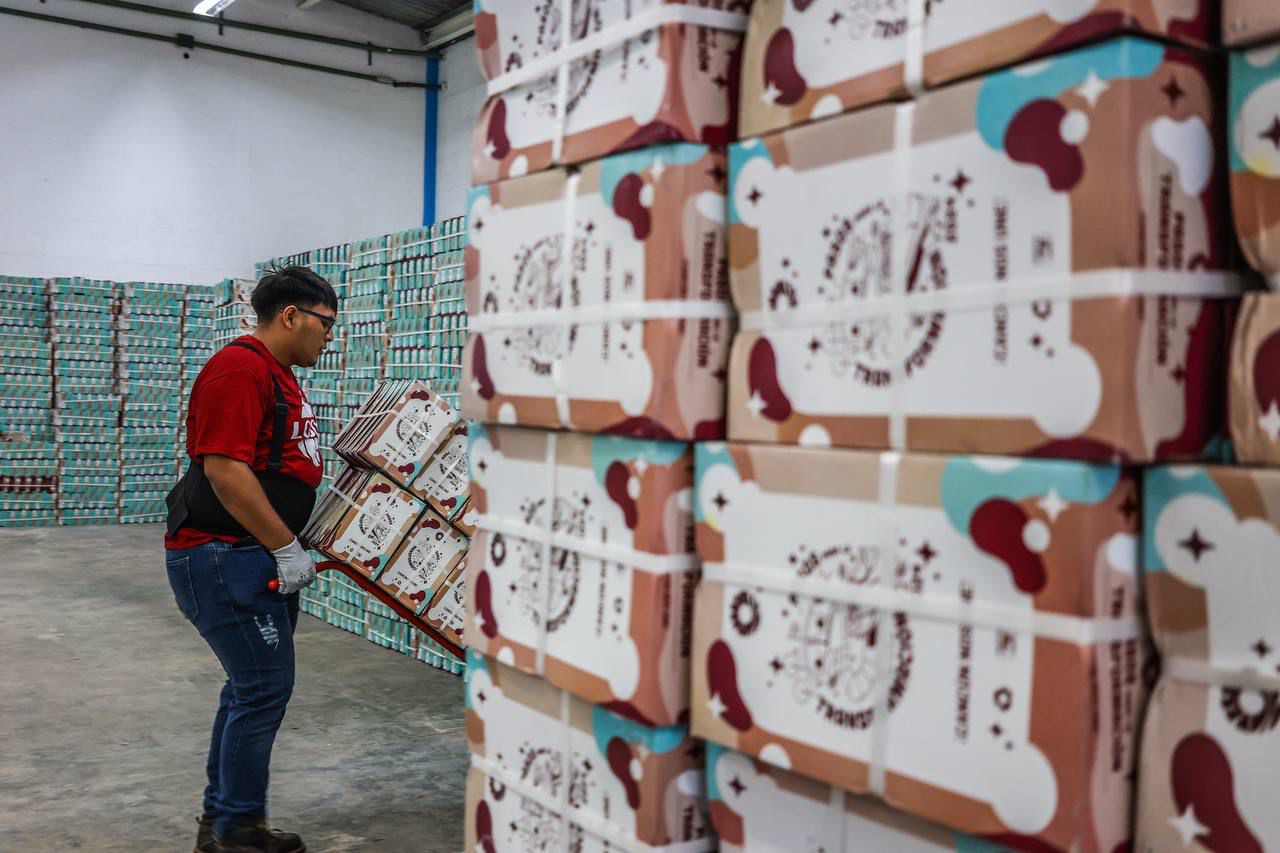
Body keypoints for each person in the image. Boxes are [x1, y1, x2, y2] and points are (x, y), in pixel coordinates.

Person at [164, 266, 337, 853]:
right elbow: (225, 470)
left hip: (249, 555)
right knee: (262, 689)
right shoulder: (240, 369)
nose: (329, 336)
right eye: (325, 323)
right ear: (290, 315)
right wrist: (285, 545)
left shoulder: (275, 373)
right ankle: (239, 831)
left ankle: (222, 825)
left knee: (249, 689)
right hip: (223, 556)